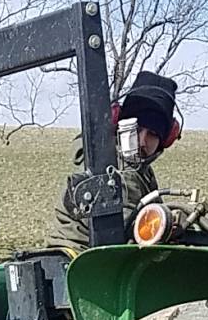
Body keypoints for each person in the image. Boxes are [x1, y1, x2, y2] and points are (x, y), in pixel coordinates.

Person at [45, 69, 179, 251]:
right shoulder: (110, 166)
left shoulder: (141, 170)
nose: (142, 141)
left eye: (153, 134)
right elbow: (131, 231)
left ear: (166, 139)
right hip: (81, 256)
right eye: (137, 129)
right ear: (119, 125)